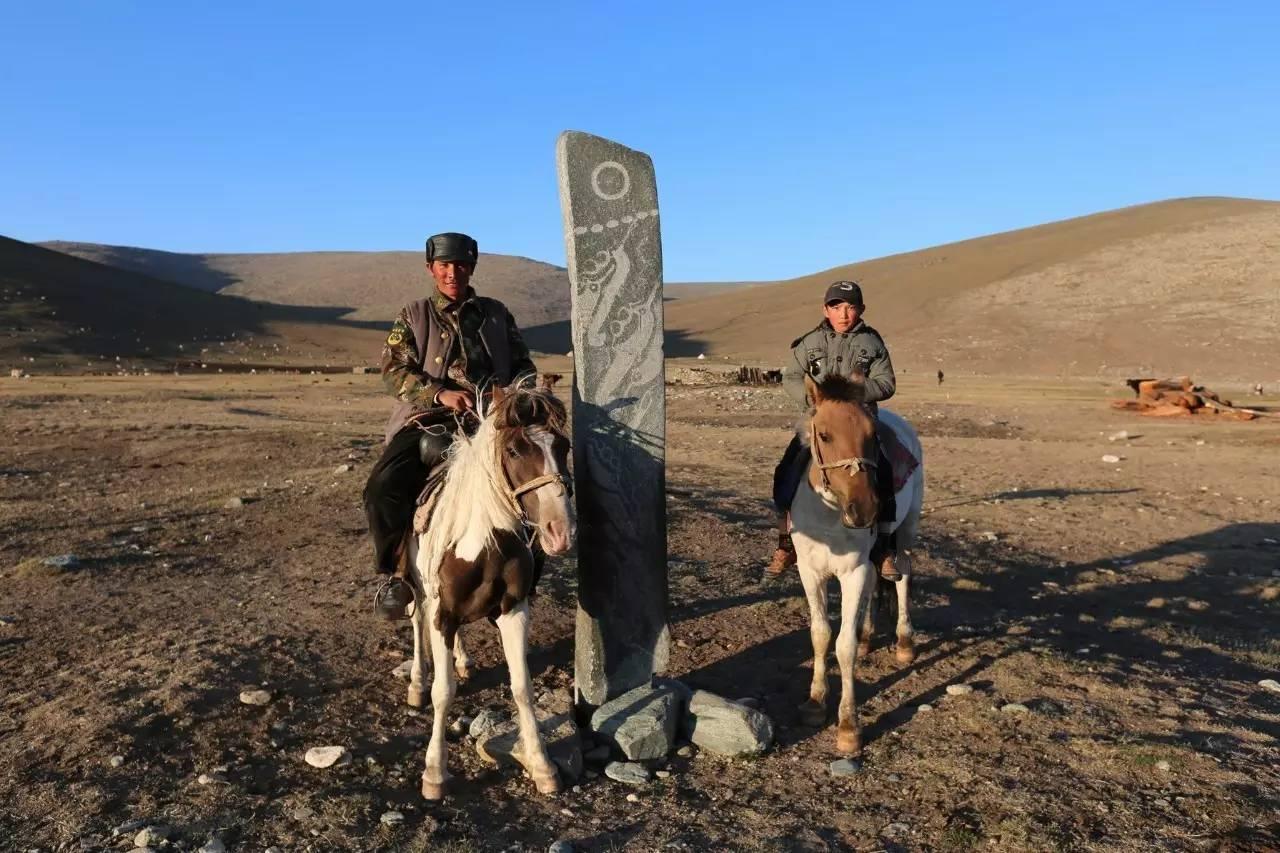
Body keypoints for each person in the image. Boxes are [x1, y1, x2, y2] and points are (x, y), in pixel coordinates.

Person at [363, 232, 536, 619]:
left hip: (490, 422)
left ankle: (526, 577)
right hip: (427, 420)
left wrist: (507, 394)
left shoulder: (496, 313)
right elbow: (393, 370)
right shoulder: (414, 314)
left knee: (539, 484)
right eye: (444, 265)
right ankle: (396, 576)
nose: (452, 272)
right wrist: (438, 394)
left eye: (460, 265)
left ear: (471, 268)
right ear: (431, 269)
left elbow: (525, 364)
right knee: (381, 489)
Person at [766, 280, 899, 580]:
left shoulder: (872, 343)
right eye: (837, 307)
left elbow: (887, 382)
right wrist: (816, 402)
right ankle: (785, 545)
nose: (844, 314)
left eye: (851, 307)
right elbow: (791, 377)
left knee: (886, 474)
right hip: (821, 424)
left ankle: (885, 549)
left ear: (861, 310)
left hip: (857, 425)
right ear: (825, 309)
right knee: (786, 470)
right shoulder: (810, 342)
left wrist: (856, 392)